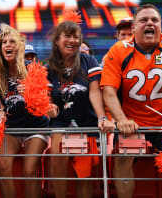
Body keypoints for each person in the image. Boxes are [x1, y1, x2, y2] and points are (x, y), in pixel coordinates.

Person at [100, 4, 162, 198]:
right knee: (123, 160)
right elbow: (109, 90)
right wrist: (121, 120)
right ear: (134, 28)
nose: (149, 23)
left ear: (161, 25)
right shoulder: (118, 50)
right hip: (133, 122)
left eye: (154, 20)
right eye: (144, 20)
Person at [47, 16, 114, 198]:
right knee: (57, 164)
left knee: (83, 175)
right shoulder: (49, 67)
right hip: (60, 123)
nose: (73, 40)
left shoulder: (88, 60)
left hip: (86, 122)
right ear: (57, 40)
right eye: (67, 36)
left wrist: (102, 118)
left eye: (76, 37)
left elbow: (94, 92)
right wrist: (49, 107)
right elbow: (47, 98)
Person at [0, 24, 49, 198]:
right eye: (4, 42)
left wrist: (31, 94)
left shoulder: (33, 69)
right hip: (11, 128)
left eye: (12, 41)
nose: (8, 45)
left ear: (19, 46)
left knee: (29, 170)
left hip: (36, 127)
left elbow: (46, 102)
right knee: (2, 165)